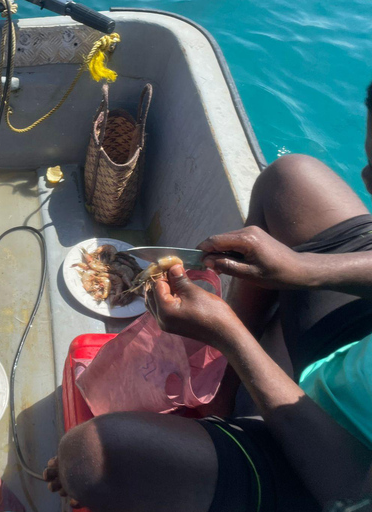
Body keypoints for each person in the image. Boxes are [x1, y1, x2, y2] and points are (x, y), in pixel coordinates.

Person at [43, 82, 372, 511]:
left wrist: (231, 339)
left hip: (338, 471)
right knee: (288, 180)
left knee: (88, 459)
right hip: (352, 361)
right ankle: (223, 389)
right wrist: (303, 269)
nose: (365, 179)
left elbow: (352, 491)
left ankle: (235, 394)